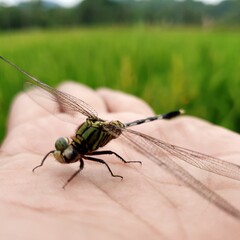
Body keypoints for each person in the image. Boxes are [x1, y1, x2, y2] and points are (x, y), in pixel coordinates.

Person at [0, 82, 240, 239]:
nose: (66, 155)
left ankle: (171, 114)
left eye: (69, 154)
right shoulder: (74, 141)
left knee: (109, 158)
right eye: (64, 149)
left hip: (117, 129)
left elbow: (106, 159)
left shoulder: (85, 154)